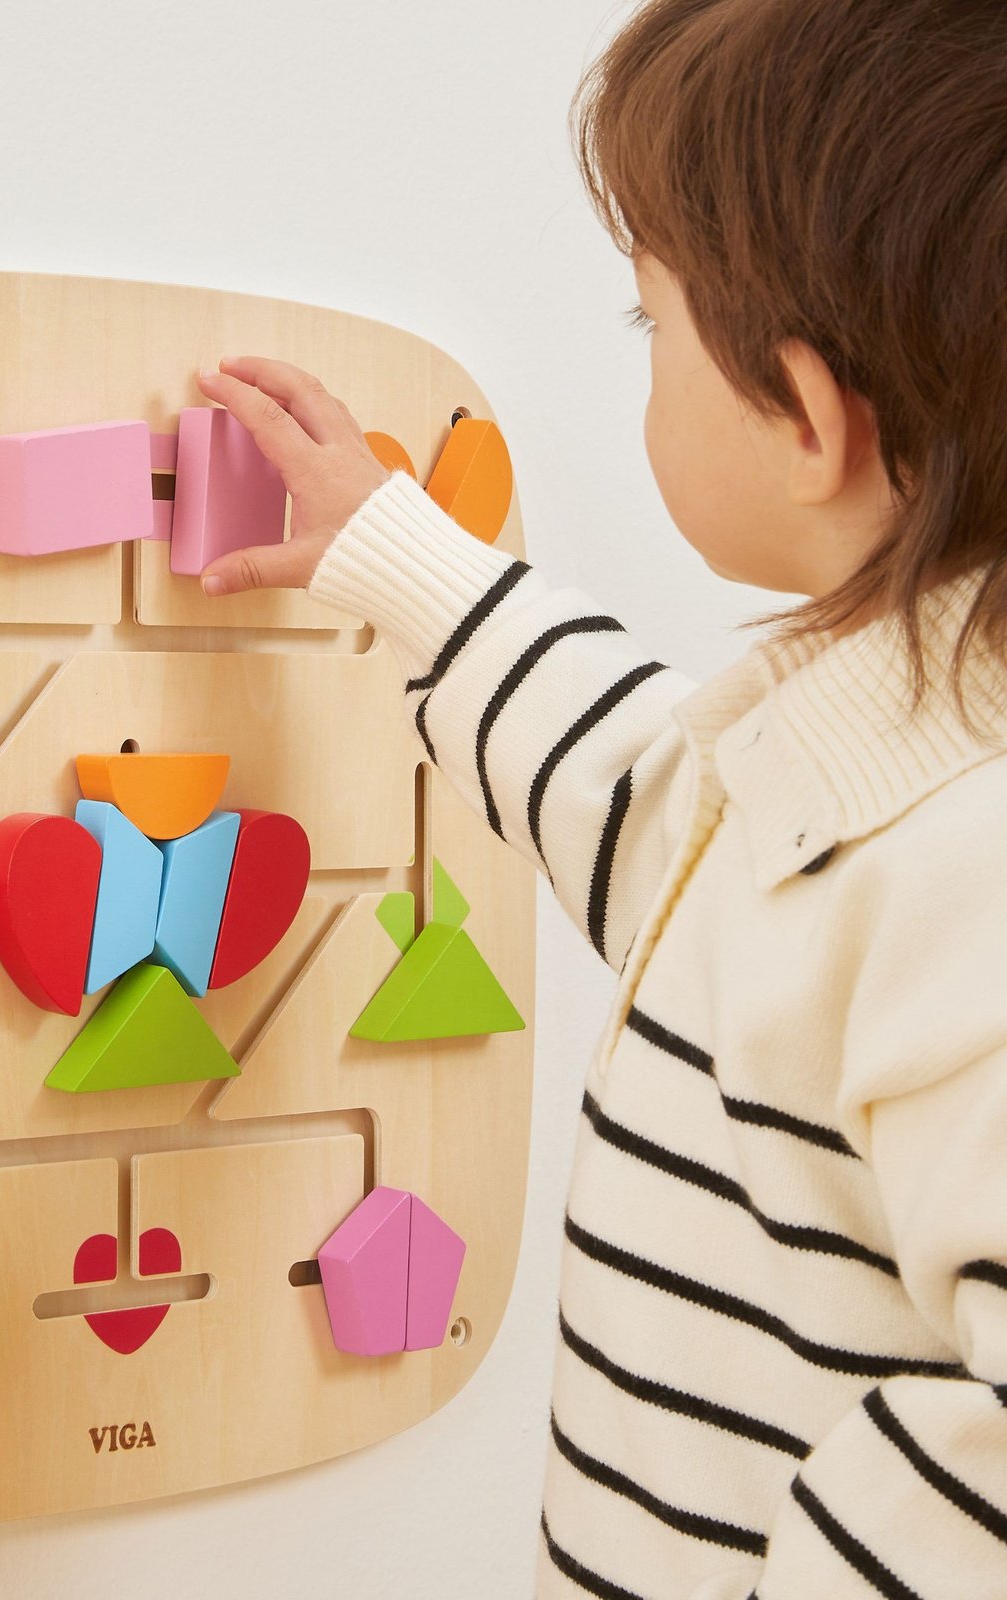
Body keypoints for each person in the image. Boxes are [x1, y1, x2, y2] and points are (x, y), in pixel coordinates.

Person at [194, 1, 1007, 1594]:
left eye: (653, 322)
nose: (644, 358)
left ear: (804, 418)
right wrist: (406, 562)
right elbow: (652, 820)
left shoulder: (966, 866)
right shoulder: (859, 772)